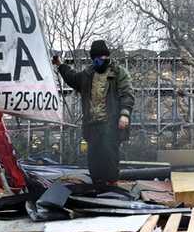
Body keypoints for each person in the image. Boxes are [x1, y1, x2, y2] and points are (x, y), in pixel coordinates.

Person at [53, 40, 135, 185]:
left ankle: (111, 184)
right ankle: (97, 184)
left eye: (102, 59)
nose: (99, 62)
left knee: (109, 155)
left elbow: (127, 93)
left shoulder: (118, 72)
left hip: (110, 123)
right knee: (94, 158)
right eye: (96, 59)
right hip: (92, 124)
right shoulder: (88, 74)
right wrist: (60, 66)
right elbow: (72, 78)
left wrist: (124, 114)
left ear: (107, 57)